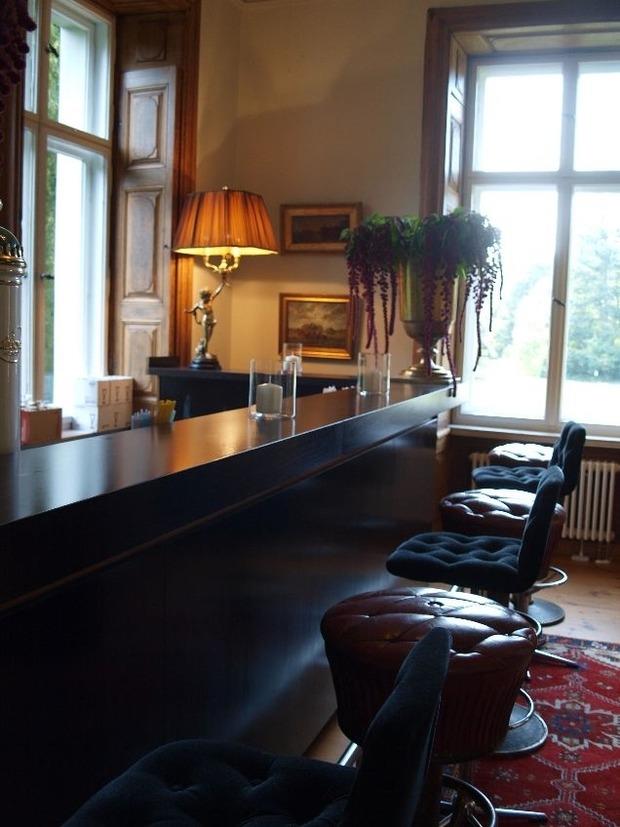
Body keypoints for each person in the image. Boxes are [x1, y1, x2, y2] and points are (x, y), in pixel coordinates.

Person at [185, 279, 226, 359]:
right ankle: (205, 352)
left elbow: (217, 292)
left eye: (208, 296)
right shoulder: (199, 304)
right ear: (203, 296)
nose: (208, 297)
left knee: (209, 336)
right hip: (206, 320)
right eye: (206, 296)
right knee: (206, 336)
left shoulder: (210, 299)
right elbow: (192, 310)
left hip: (212, 319)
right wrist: (188, 312)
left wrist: (222, 284)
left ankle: (203, 350)